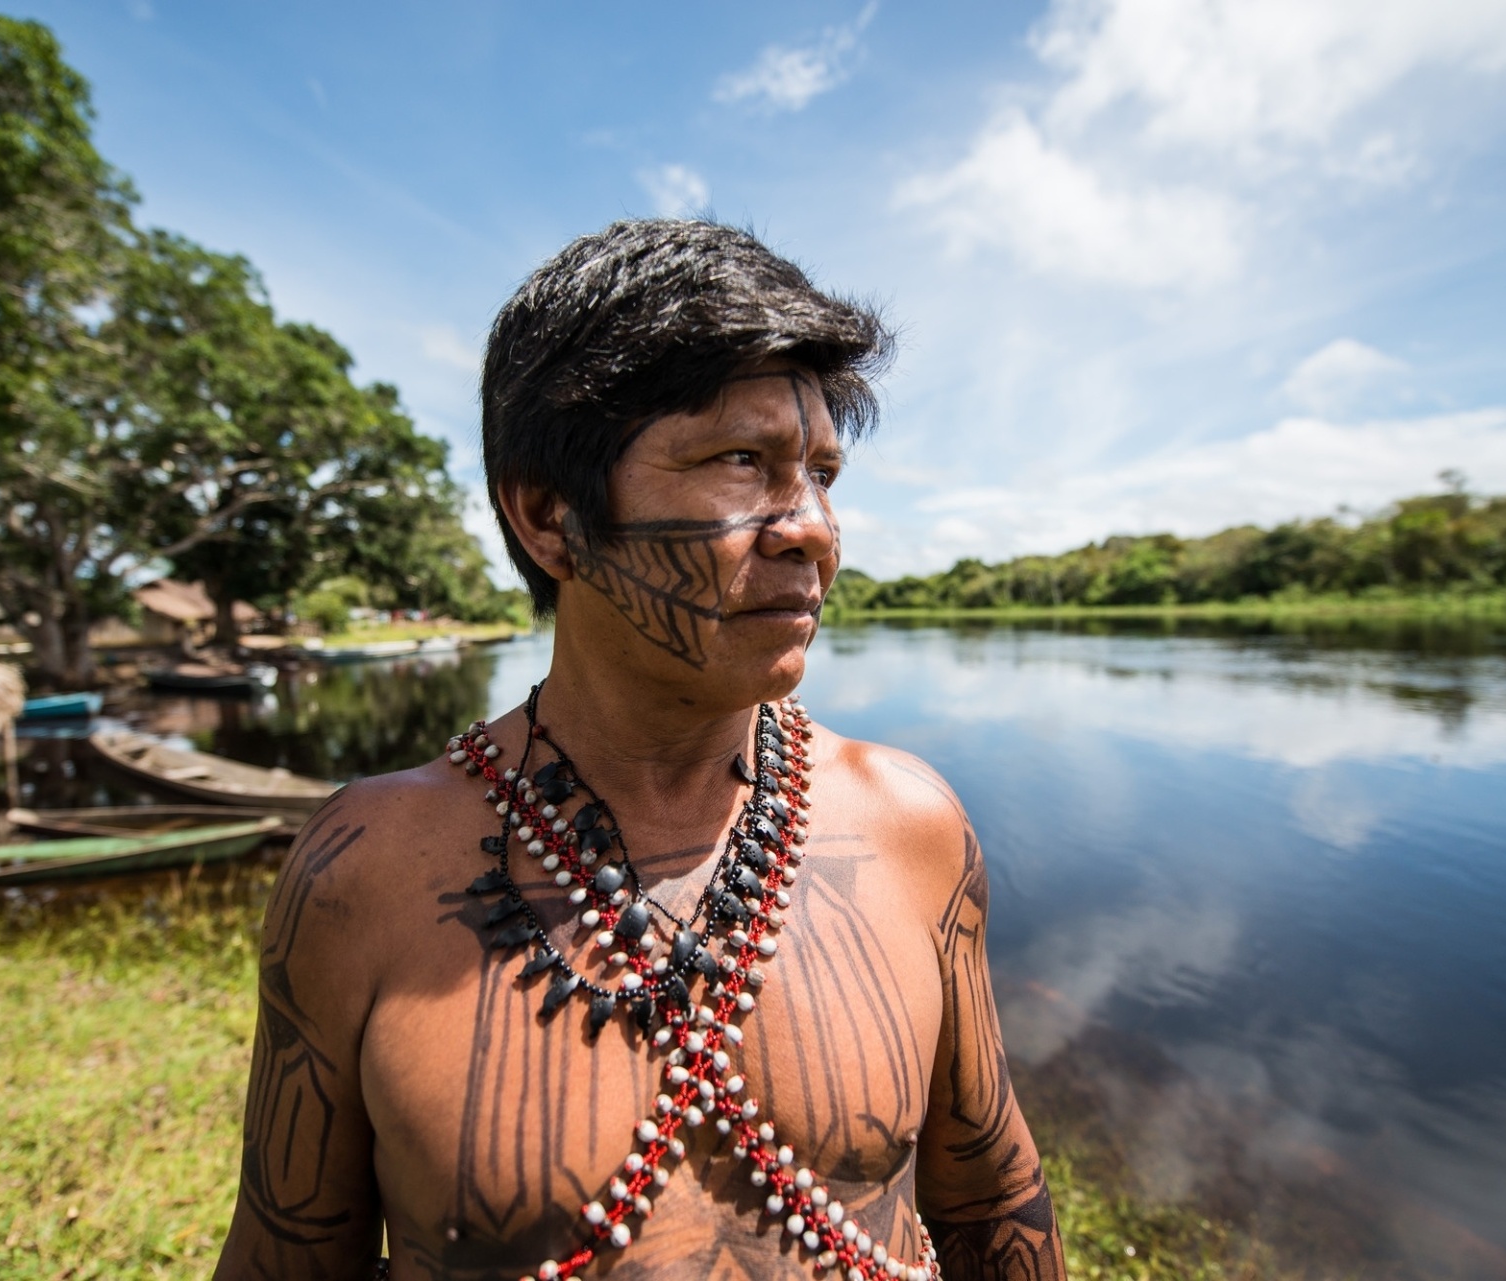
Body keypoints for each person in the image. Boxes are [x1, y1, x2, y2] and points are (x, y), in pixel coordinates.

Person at [215, 220, 1066, 1281]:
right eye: (740, 462)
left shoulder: (912, 826)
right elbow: (288, 1253)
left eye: (822, 475)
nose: (811, 529)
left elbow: (991, 1200)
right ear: (550, 515)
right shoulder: (365, 874)